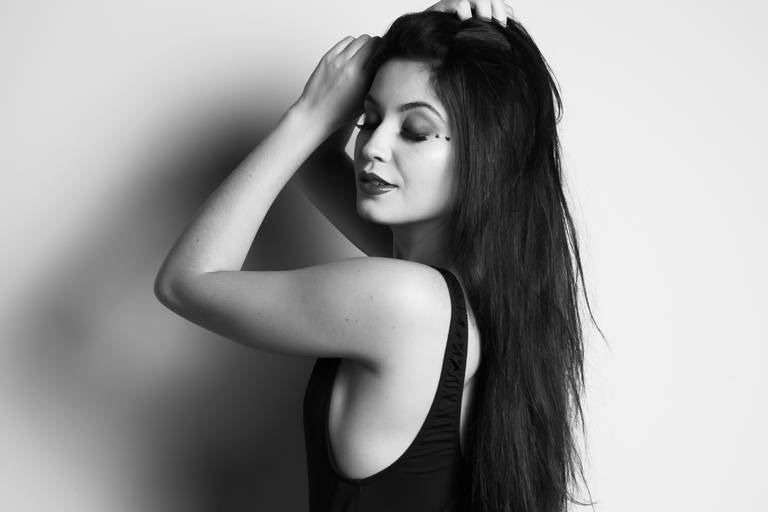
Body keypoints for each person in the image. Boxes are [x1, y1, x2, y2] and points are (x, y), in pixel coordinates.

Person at [154, 1, 602, 511]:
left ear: (489, 155)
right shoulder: (479, 286)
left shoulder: (406, 302)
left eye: (415, 131)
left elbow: (184, 282)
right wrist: (420, 34)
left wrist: (309, 112)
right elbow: (315, 160)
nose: (372, 147)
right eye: (369, 119)